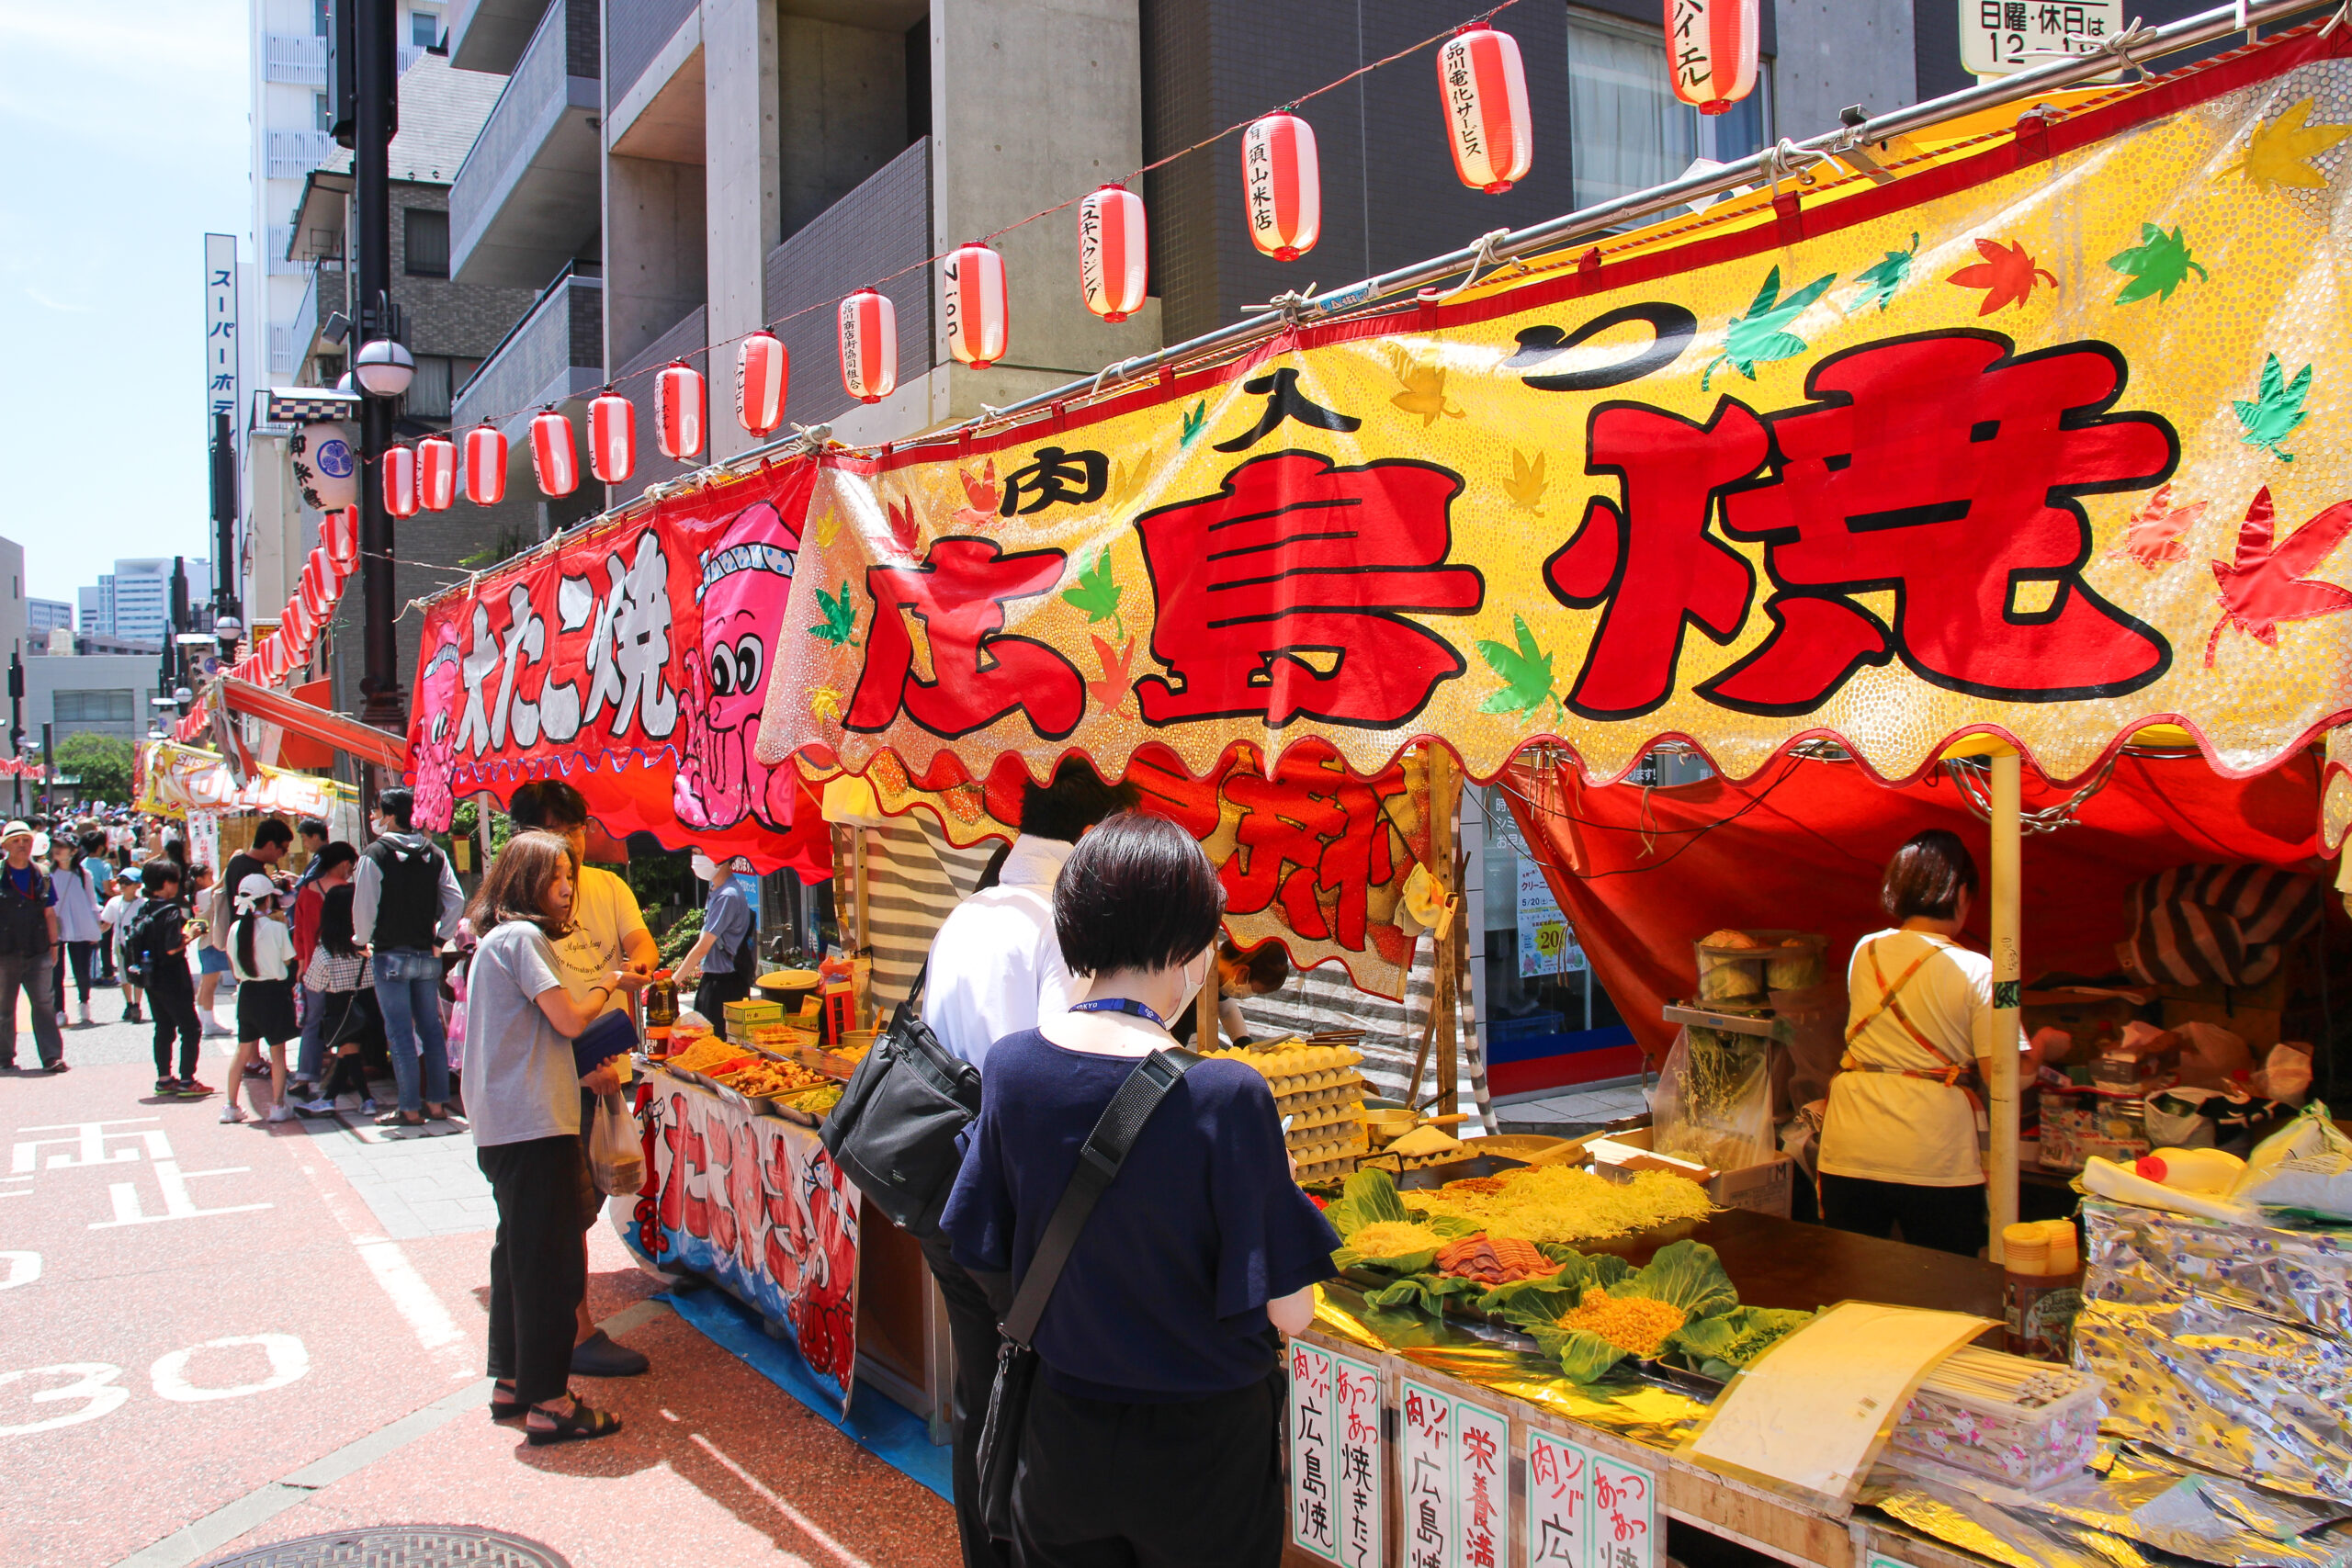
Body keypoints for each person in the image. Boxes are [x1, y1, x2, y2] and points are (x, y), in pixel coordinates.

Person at [941, 813, 1337, 1567]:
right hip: (1204, 1453)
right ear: (1190, 945)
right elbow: (1294, 1312)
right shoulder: (1229, 1095)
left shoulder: (1014, 1069)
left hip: (1061, 1433)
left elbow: (981, 1252)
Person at [916, 759, 1136, 1568]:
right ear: (1090, 835)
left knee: (983, 1390)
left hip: (946, 1186)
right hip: (1012, 1203)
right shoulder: (1054, 923)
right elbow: (1063, 1075)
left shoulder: (970, 910)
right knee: (1031, 1398)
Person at [461, 829, 646, 1445]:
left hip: (509, 1121)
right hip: (532, 1122)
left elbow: (538, 1035)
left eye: (571, 875)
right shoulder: (520, 937)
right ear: (524, 881)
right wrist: (611, 985)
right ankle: (549, 1400)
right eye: (556, 877)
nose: (568, 889)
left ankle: (513, 1380)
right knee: (550, 1263)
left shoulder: (496, 941)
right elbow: (566, 1016)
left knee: (518, 1254)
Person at [505, 778, 659, 1379]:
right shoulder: (519, 912)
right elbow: (549, 1015)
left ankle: (544, 1340)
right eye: (556, 830)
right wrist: (607, 988)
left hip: (603, 1067)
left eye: (576, 828)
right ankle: (570, 1335)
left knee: (584, 1200)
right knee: (560, 1210)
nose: (570, 843)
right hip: (556, 1079)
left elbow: (637, 942)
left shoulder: (607, 886)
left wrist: (637, 965)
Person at [1818, 829, 2024, 1258]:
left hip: (1850, 1144)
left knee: (1853, 1285)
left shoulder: (1865, 950)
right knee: (1946, 1290)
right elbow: (2004, 1078)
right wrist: (2042, 1051)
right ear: (1964, 893)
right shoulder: (1985, 971)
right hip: (1934, 1156)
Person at [354, 787, 464, 1127]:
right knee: (432, 1029)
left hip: (389, 953)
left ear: (388, 814)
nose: (374, 818)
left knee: (400, 1032)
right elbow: (456, 900)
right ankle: (436, 1105)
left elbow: (364, 905)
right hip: (425, 952)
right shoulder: (435, 853)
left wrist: (361, 939)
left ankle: (409, 1108)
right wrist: (440, 938)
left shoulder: (375, 853)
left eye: (376, 812)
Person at [202, 818, 296, 1039]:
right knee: (259, 1009)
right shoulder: (249, 869)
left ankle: (251, 1059)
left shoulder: (238, 863)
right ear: (271, 845)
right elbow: (261, 910)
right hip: (256, 946)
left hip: (243, 943)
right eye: (282, 849)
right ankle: (254, 1060)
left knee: (249, 1008)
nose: (281, 855)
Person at [296, 883, 383, 1116]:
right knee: (349, 1051)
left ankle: (361, 1099)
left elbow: (313, 983)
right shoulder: (366, 944)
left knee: (348, 1049)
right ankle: (339, 1098)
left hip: (340, 1006)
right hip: (367, 1002)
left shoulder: (326, 949)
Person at [221, 874, 301, 1124]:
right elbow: (288, 960)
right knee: (277, 1053)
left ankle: (230, 1106)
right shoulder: (277, 928)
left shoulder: (235, 929)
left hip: (247, 993)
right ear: (267, 899)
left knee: (243, 1051)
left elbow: (233, 963)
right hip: (273, 994)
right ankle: (278, 1106)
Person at [131, 858, 209, 1099]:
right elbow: (172, 946)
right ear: (167, 884)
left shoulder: (145, 908)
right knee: (191, 1028)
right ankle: (187, 1080)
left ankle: (164, 1078)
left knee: (164, 1027)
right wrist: (191, 934)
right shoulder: (171, 911)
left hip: (151, 977)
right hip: (173, 976)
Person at [288, 842, 359, 1099]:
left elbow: (298, 932)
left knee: (313, 1021)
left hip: (312, 967)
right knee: (345, 1020)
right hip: (345, 965)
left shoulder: (306, 891)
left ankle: (305, 1076)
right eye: (351, 865)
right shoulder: (348, 891)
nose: (351, 871)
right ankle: (343, 1075)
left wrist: (301, 964)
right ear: (343, 863)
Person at [0, 822, 64, 1072]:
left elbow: (49, 913)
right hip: (5, 951)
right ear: (5, 845)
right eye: (16, 841)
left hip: (38, 949)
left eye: (26, 840)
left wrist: (54, 944)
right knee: (4, 1007)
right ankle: (4, 1057)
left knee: (44, 1004)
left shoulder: (42, 873)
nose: (22, 845)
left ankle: (51, 1056)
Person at [672, 852, 754, 1022]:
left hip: (725, 984)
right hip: (713, 980)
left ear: (721, 858)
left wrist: (672, 983)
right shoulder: (716, 890)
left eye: (699, 853)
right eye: (693, 853)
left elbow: (703, 947)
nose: (695, 859)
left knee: (715, 1043)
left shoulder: (727, 895)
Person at [1168, 939, 1291, 1047]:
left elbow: (1227, 1010)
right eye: (1254, 991)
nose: (1249, 995)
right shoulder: (1190, 970)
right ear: (1243, 972)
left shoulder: (1216, 980)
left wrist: (1244, 1044)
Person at [50, 834, 104, 1029]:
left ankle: (84, 1002)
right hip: (56, 926)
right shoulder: (48, 873)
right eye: (55, 846)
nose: (57, 850)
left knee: (81, 969)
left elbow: (92, 902)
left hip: (80, 925)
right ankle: (59, 1010)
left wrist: (96, 928)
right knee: (56, 972)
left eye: (62, 847)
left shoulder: (83, 874)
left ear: (73, 851)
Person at [100, 866, 146, 1025]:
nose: (123, 885)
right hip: (120, 944)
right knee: (124, 975)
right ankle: (129, 1003)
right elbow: (106, 923)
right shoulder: (114, 902)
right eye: (121, 881)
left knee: (138, 975)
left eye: (127, 882)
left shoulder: (143, 904)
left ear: (138, 885)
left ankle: (137, 1004)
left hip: (138, 944)